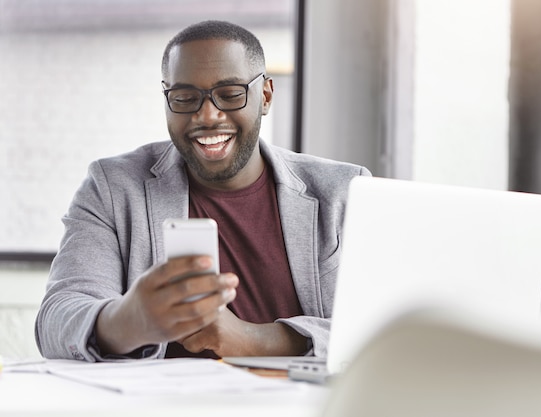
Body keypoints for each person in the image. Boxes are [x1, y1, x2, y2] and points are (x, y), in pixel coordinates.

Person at [35, 20, 371, 361]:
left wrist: (253, 339)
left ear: (265, 96)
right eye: (184, 98)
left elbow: (387, 326)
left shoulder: (345, 192)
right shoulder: (113, 187)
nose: (208, 115)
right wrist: (130, 321)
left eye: (230, 95)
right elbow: (56, 321)